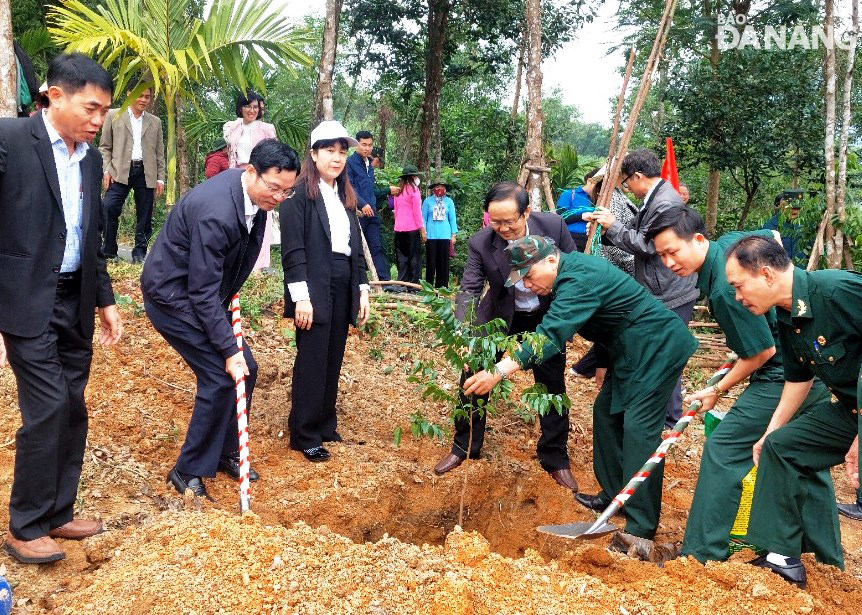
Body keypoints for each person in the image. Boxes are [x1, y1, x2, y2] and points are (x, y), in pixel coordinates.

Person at [463, 235, 697, 542]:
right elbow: (607, 318)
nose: (528, 287)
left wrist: (497, 371)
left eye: (530, 277)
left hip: (657, 347)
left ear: (551, 260)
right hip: (629, 350)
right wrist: (602, 361)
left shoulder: (577, 280)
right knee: (605, 413)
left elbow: (549, 336)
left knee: (639, 429)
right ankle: (615, 495)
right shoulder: (568, 276)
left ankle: (640, 526)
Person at [649, 207, 841, 568]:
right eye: (660, 255)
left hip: (785, 373)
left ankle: (700, 554)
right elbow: (772, 239)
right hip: (808, 365)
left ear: (699, 240)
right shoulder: (734, 247)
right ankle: (824, 559)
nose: (668, 262)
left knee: (724, 449)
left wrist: (717, 390)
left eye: (673, 251)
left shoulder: (724, 289)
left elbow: (761, 353)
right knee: (806, 460)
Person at [0, 53, 122, 564]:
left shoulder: (90, 159)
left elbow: (90, 234)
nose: (98, 122)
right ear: (55, 96)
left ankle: (57, 512)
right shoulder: (10, 141)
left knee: (72, 404)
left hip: (76, 296)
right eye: (91, 109)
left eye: (103, 113)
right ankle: (24, 525)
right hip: (25, 296)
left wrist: (105, 300)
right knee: (48, 405)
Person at [142, 139, 299, 499]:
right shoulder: (216, 212)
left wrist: (229, 329)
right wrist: (229, 348)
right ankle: (187, 470)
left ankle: (229, 449)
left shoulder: (255, 199)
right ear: (250, 171)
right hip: (173, 297)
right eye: (273, 188)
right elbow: (199, 292)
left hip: (206, 295)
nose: (278, 197)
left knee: (248, 369)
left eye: (286, 192)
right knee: (218, 375)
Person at [722, 235, 862, 589]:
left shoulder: (836, 290)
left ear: (767, 275)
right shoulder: (786, 316)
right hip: (849, 410)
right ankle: (781, 558)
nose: (737, 297)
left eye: (739, 286)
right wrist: (771, 430)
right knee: (780, 447)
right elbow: (798, 377)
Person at [433, 182, 579, 491]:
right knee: (473, 377)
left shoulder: (553, 226)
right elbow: (470, 290)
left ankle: (555, 458)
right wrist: (463, 331)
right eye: (494, 221)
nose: (502, 228)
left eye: (509, 221)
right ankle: (464, 446)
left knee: (551, 385)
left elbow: (572, 271)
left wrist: (566, 321)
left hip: (545, 316)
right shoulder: (481, 243)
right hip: (501, 318)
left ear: (526, 212)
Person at [585, 148, 699, 428]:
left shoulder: (665, 204)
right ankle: (660, 412)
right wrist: (603, 226)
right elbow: (635, 232)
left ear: (637, 176)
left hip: (671, 290)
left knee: (667, 352)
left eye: (626, 183)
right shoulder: (654, 199)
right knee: (656, 350)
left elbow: (649, 246)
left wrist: (612, 227)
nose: (628, 189)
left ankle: (670, 419)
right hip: (660, 288)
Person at [281, 120, 371, 462]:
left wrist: (362, 289)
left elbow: (355, 247)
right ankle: (304, 433)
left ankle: (325, 425)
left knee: (333, 354)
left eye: (342, 151)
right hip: (313, 283)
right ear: (314, 153)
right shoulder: (299, 194)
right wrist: (301, 296)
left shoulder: (345, 195)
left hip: (342, 279)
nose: (337, 158)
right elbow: (293, 251)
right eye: (329, 150)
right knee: (313, 358)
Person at [570, 166, 637, 379]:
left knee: (610, 325)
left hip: (619, 269)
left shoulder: (611, 202)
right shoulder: (612, 200)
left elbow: (617, 244)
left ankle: (599, 370)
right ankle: (599, 369)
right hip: (618, 268)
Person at [99, 85, 166, 263]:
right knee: (109, 207)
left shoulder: (155, 122)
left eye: (147, 97)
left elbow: (160, 153)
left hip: (146, 172)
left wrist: (160, 178)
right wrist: (106, 169)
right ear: (130, 94)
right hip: (119, 170)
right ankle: (109, 251)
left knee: (145, 214)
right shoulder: (114, 115)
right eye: (140, 96)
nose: (144, 100)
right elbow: (104, 147)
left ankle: (139, 254)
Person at [223, 90, 277, 272]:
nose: (252, 110)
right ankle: (235, 259)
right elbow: (230, 154)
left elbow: (273, 155)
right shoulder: (232, 127)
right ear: (241, 107)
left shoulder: (266, 129)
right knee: (238, 215)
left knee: (262, 216)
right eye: (247, 106)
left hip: (260, 175)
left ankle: (259, 264)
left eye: (255, 107)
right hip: (238, 174)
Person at [346, 130, 393, 281]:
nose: (367, 148)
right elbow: (349, 187)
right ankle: (357, 282)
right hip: (357, 213)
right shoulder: (350, 163)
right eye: (363, 144)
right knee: (356, 249)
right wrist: (362, 204)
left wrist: (382, 195)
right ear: (356, 145)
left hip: (372, 213)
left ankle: (384, 282)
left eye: (370, 145)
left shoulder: (369, 165)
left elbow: (370, 189)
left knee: (377, 247)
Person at [392, 165, 425, 285]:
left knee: (402, 257)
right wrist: (422, 230)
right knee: (414, 257)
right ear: (412, 177)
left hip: (399, 228)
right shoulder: (414, 190)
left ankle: (402, 283)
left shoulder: (398, 191)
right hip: (412, 228)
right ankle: (413, 284)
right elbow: (417, 212)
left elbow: (396, 211)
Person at [422, 181, 458, 288]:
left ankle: (442, 288)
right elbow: (423, 218)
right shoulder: (428, 201)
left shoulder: (449, 202)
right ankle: (428, 287)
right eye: (437, 187)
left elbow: (452, 219)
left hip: (445, 235)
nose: (440, 189)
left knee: (443, 262)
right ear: (433, 189)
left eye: (442, 187)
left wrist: (453, 234)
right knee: (431, 262)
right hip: (431, 235)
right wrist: (424, 232)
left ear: (445, 189)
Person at [762, 191, 807, 264]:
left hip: (802, 271)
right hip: (781, 271)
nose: (794, 211)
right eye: (791, 208)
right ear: (782, 206)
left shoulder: (805, 225)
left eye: (797, 208)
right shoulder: (770, 226)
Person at [555, 177, 595, 251]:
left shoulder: (597, 200)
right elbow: (559, 216)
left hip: (589, 240)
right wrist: (581, 216)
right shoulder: (569, 194)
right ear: (589, 181)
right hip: (570, 237)